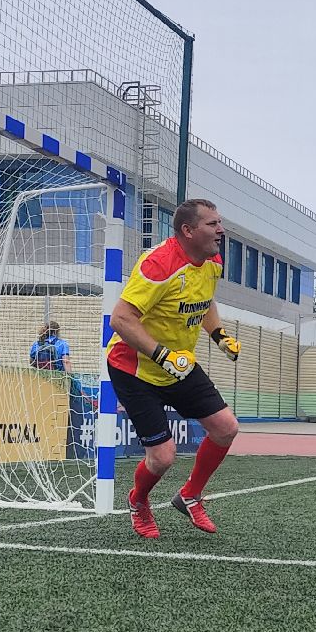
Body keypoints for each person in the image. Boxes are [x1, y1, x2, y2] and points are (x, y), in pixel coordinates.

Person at [105, 197, 242, 538]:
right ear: (187, 230)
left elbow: (204, 298)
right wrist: (162, 355)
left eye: (219, 222)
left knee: (226, 428)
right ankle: (138, 500)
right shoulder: (159, 264)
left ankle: (190, 496)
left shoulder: (212, 260)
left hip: (177, 363)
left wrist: (219, 334)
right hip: (133, 366)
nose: (221, 230)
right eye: (212, 224)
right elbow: (121, 319)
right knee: (163, 457)